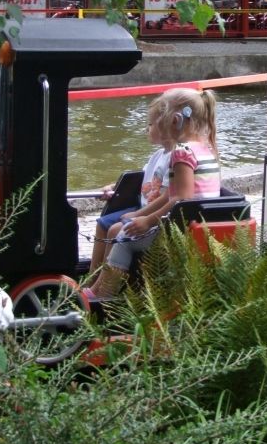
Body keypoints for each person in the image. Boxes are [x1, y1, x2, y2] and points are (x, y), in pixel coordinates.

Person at [83, 87, 220, 300]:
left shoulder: (182, 152)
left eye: (157, 120)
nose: (152, 126)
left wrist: (147, 220)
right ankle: (99, 287)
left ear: (174, 120)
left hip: (179, 229)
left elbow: (181, 199)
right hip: (198, 225)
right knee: (123, 230)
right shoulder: (205, 148)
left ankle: (105, 294)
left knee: (124, 236)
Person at [88, 97, 172, 277]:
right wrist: (115, 187)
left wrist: (141, 215)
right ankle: (92, 275)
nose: (146, 129)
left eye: (150, 124)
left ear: (165, 127)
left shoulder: (175, 158)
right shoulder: (158, 155)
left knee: (114, 229)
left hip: (149, 212)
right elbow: (141, 179)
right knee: (103, 224)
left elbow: (169, 195)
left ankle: (104, 282)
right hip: (141, 207)